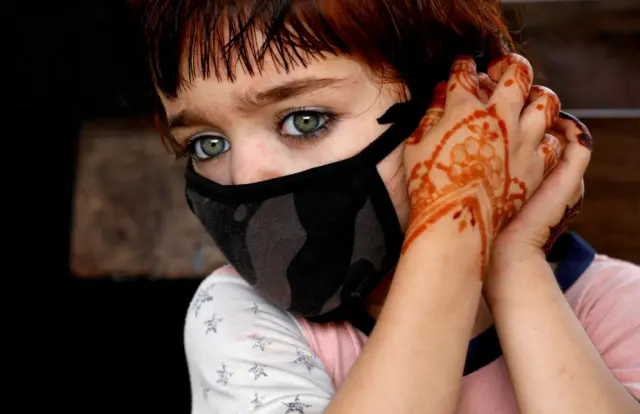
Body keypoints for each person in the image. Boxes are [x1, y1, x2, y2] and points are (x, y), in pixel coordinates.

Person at [129, 0, 640, 413]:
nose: (245, 176)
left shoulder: (614, 307)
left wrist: (510, 259)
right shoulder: (243, 317)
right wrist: (454, 232)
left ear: (460, 111)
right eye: (207, 144)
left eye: (305, 120)